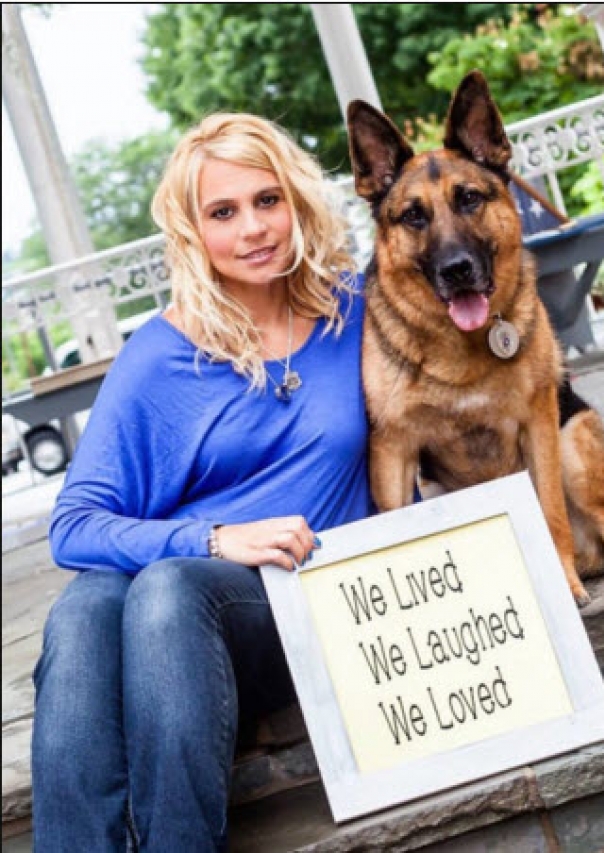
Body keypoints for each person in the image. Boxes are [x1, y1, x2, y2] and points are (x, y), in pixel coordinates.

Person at [31, 113, 374, 852]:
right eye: (223, 212)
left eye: (267, 199)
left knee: (167, 588)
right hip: (187, 616)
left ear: (298, 201)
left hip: (308, 593)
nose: (253, 228)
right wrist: (216, 537)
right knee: (85, 608)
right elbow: (75, 524)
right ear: (192, 231)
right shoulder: (161, 354)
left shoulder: (358, 308)